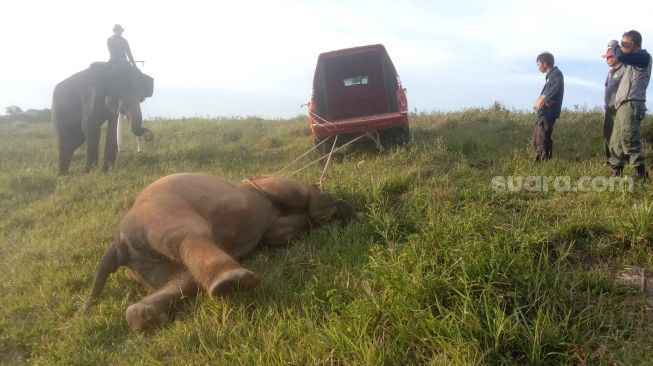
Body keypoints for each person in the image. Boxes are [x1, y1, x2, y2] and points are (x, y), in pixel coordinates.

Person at [607, 30, 652, 179]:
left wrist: (613, 45)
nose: (621, 47)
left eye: (623, 44)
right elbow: (621, 58)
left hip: (632, 104)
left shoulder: (643, 56)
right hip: (623, 105)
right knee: (616, 140)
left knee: (629, 138)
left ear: (632, 44)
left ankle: (640, 173)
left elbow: (620, 55)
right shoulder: (633, 60)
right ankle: (616, 170)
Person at [532, 52, 564, 162]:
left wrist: (546, 99)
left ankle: (543, 163)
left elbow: (554, 90)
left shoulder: (556, 74)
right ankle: (541, 161)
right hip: (544, 113)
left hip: (549, 113)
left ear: (545, 63)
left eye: (538, 64)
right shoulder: (550, 76)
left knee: (543, 138)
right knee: (538, 137)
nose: (538, 67)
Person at [602, 48, 625, 164]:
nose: (607, 59)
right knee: (607, 134)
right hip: (609, 108)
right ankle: (610, 158)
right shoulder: (610, 72)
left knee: (618, 136)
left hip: (618, 109)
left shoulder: (625, 69)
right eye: (606, 57)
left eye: (610, 57)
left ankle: (619, 159)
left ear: (617, 56)